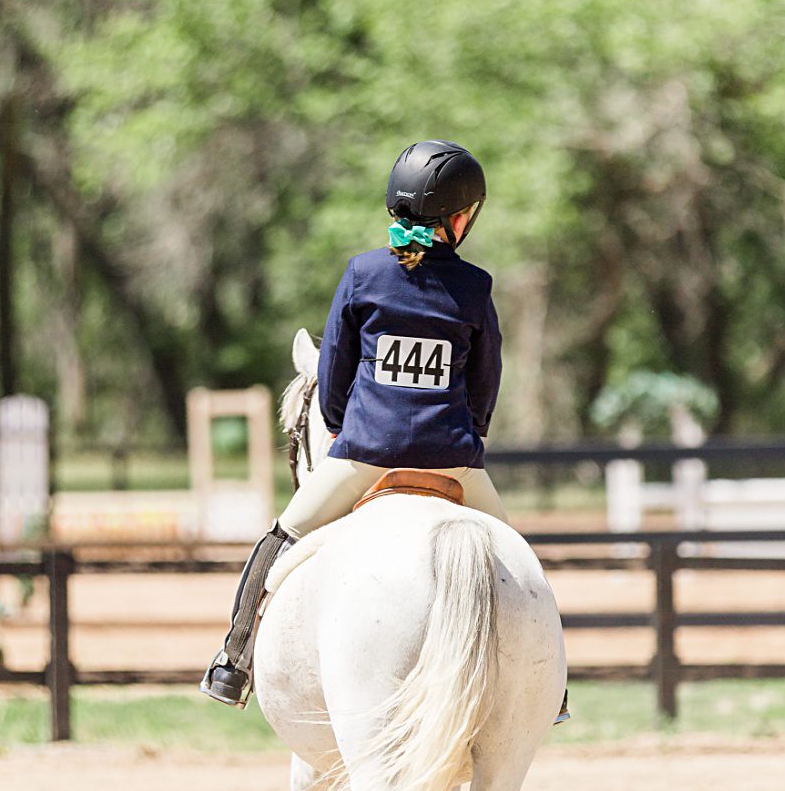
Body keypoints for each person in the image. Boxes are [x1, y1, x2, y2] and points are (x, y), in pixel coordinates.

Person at [200, 138, 567, 723]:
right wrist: (465, 440)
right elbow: (484, 385)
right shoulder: (474, 286)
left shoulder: (363, 273)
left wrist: (352, 434)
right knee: (520, 566)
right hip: (453, 464)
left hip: (365, 457)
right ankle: (551, 689)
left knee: (277, 540)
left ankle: (232, 660)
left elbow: (333, 374)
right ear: (460, 217)